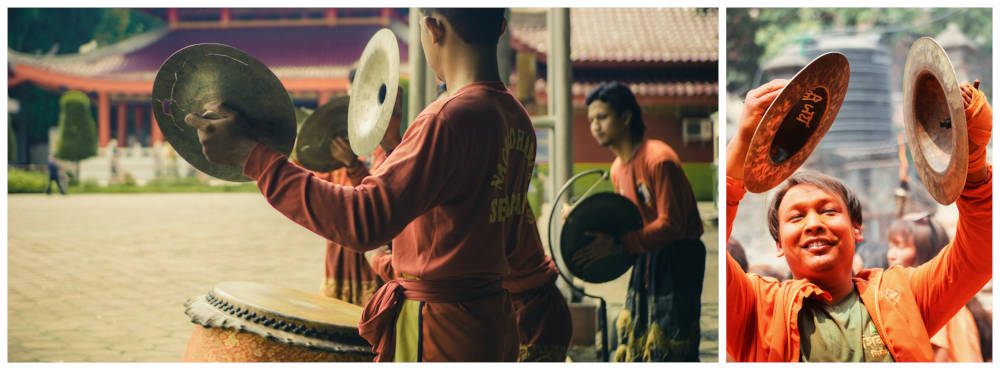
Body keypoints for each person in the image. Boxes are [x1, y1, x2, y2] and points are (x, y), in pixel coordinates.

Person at [185, 9, 527, 362]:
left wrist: (253, 157)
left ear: (432, 28)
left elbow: (363, 220)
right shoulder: (515, 116)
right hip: (490, 322)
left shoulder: (447, 119)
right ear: (501, 28)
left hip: (440, 330)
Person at [725, 79, 992, 362]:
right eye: (797, 216)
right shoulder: (756, 306)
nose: (814, 223)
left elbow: (981, 252)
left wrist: (972, 157)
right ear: (779, 244)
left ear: (857, 229)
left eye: (828, 211)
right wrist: (743, 139)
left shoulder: (903, 294)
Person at [362, 84, 572, 362]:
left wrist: (379, 260)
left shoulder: (469, 196)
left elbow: (441, 266)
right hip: (522, 308)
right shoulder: (482, 180)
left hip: (527, 314)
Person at [577, 82, 705, 361]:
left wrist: (618, 245)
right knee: (640, 338)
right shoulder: (617, 169)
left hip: (677, 259)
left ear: (625, 117)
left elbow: (672, 225)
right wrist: (579, 217)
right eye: (591, 120)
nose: (595, 126)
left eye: (602, 117)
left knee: (672, 344)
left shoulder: (658, 159)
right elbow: (624, 222)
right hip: (645, 257)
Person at [886, 217, 983, 362]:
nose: (891, 255)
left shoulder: (934, 299)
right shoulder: (950, 297)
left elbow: (938, 355)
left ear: (924, 251)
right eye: (891, 246)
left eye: (901, 247)